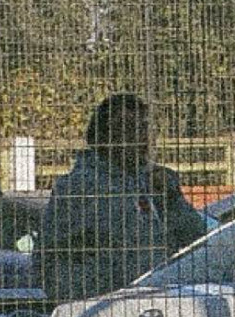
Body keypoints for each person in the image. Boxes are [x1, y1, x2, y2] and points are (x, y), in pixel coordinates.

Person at [33, 92, 210, 304]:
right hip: (104, 306)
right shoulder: (79, 187)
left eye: (144, 128)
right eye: (128, 129)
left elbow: (197, 239)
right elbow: (52, 261)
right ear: (105, 137)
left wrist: (171, 198)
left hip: (161, 302)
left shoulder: (155, 182)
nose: (141, 138)